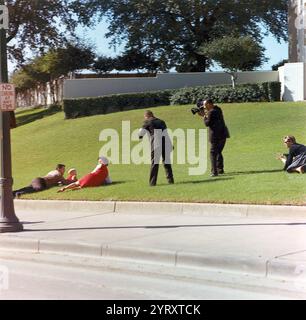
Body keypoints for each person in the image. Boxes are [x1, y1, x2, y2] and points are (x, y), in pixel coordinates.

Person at [139, 110, 174, 186]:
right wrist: (170, 144)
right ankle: (170, 181)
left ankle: (152, 183)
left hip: (156, 144)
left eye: (145, 117)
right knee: (167, 163)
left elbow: (140, 134)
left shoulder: (147, 122)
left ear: (147, 116)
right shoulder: (161, 121)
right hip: (165, 143)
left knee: (154, 164)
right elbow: (166, 133)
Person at [198, 99, 230, 177]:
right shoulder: (218, 109)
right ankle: (220, 169)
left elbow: (207, 123)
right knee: (218, 152)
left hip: (215, 136)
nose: (204, 107)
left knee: (213, 153)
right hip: (223, 135)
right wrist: (205, 113)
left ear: (209, 104)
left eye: (205, 105)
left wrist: (203, 116)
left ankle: (214, 172)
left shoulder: (211, 112)